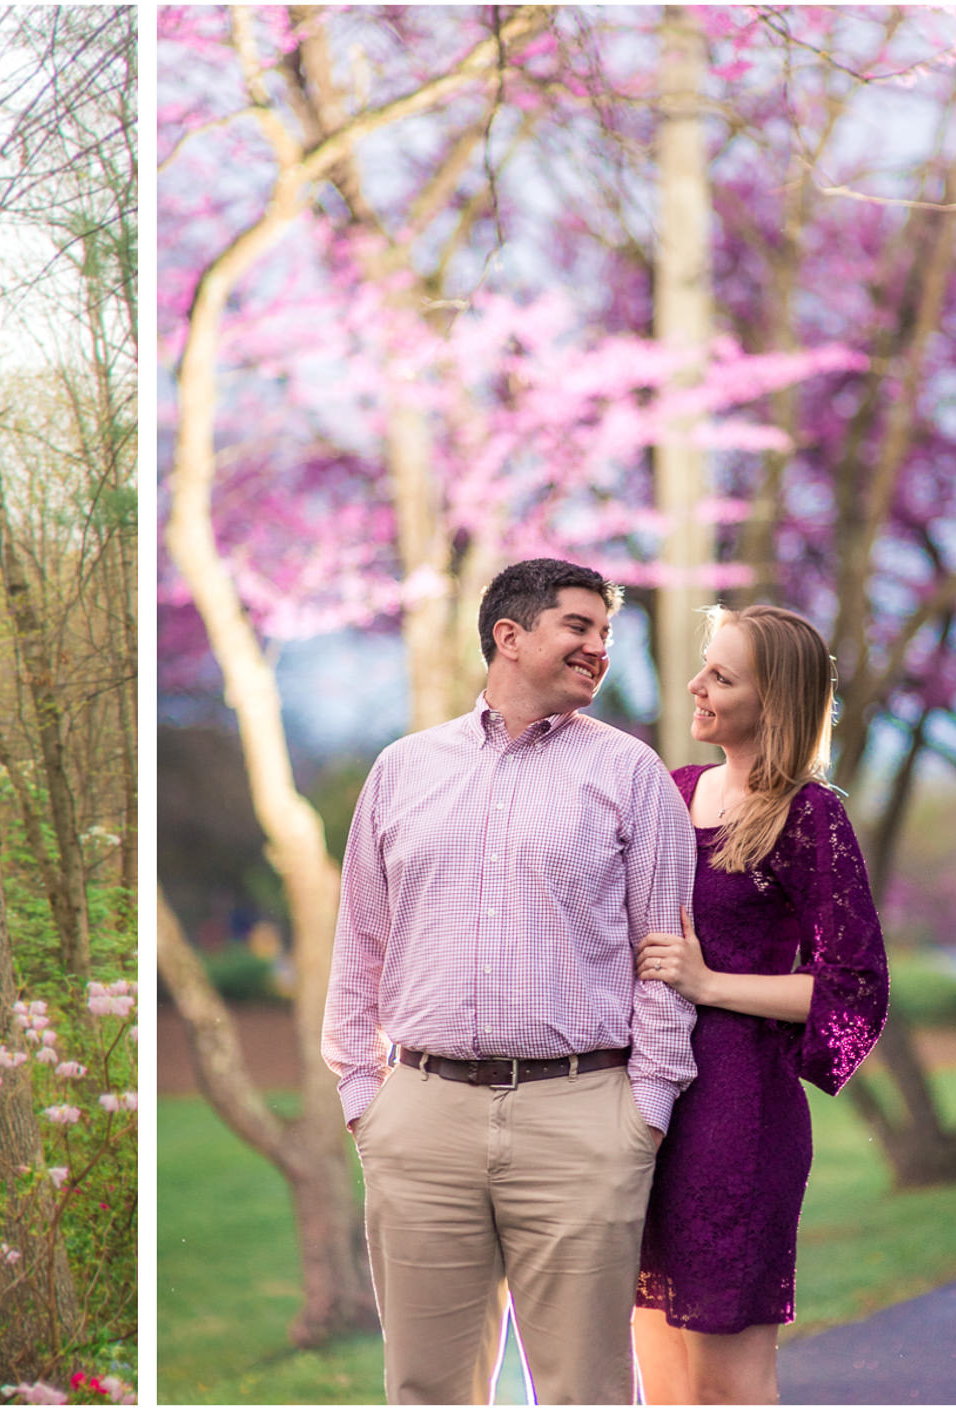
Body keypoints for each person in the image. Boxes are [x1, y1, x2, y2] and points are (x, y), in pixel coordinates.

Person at [324, 556, 699, 1406]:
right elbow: (360, 947)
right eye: (579, 628)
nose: (598, 649)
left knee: (587, 1390)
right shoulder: (402, 770)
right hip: (421, 1116)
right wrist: (362, 1093)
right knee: (426, 1387)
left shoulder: (631, 774)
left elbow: (665, 954)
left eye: (605, 634)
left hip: (583, 1117)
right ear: (510, 634)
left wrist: (645, 1108)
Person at [629, 605, 889, 1405]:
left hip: (738, 1119)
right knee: (659, 1375)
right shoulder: (669, 793)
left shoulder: (810, 816)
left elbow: (854, 986)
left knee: (725, 1382)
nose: (694, 685)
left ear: (773, 703)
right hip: (644, 1107)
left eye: (721, 676)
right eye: (704, 666)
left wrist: (709, 984)